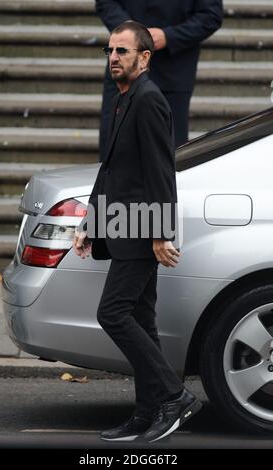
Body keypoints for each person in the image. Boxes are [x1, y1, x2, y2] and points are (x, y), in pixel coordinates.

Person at [73, 21, 202, 443]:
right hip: (122, 226)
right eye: (109, 51)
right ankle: (147, 412)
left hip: (142, 229)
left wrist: (161, 232)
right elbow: (110, 168)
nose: (113, 58)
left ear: (144, 58)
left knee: (112, 313)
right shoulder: (122, 99)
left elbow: (161, 171)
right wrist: (90, 223)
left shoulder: (148, 100)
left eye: (122, 52)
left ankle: (174, 395)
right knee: (142, 321)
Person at [96, 0, 223, 161]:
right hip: (124, 68)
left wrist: (168, 36)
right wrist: (130, 32)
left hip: (173, 71)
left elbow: (211, 15)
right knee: (114, 149)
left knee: (166, 154)